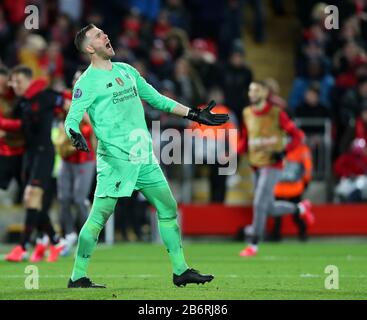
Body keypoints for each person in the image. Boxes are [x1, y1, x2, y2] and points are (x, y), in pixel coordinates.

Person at [64, 24, 228, 288]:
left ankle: (180, 270)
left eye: (104, 32)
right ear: (89, 48)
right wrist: (74, 133)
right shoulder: (86, 82)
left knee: (168, 208)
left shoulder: (127, 71)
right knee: (99, 218)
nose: (105, 35)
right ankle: (78, 275)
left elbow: (157, 99)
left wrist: (194, 114)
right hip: (116, 160)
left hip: (144, 157)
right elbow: (71, 118)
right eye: (98, 35)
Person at [237, 81, 315, 257]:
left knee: (258, 203)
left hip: (273, 164)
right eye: (250, 90)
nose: (252, 93)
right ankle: (301, 208)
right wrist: (232, 152)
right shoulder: (247, 113)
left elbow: (297, 135)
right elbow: (245, 139)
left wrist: (283, 152)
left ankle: (253, 244)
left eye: (256, 90)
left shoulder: (277, 113)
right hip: (255, 164)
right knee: (269, 207)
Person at [0, 65, 65, 262]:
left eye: (18, 81)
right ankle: (55, 241)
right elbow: (20, 126)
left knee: (31, 196)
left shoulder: (45, 95)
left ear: (28, 80)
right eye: (13, 81)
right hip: (29, 155)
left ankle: (22, 246)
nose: (15, 85)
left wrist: (75, 123)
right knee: (33, 203)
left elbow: (67, 101)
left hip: (44, 153)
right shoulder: (22, 104)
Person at [270, 142, 313, 241]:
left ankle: (276, 235)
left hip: (281, 188)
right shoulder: (302, 149)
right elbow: (308, 168)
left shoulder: (277, 147)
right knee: (296, 212)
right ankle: (302, 233)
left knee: (277, 213)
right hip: (293, 188)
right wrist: (306, 181)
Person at [0, 66, 24, 201]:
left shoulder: (19, 98)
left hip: (21, 150)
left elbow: (25, 124)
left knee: (23, 190)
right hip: (2, 151)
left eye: (4, 83)